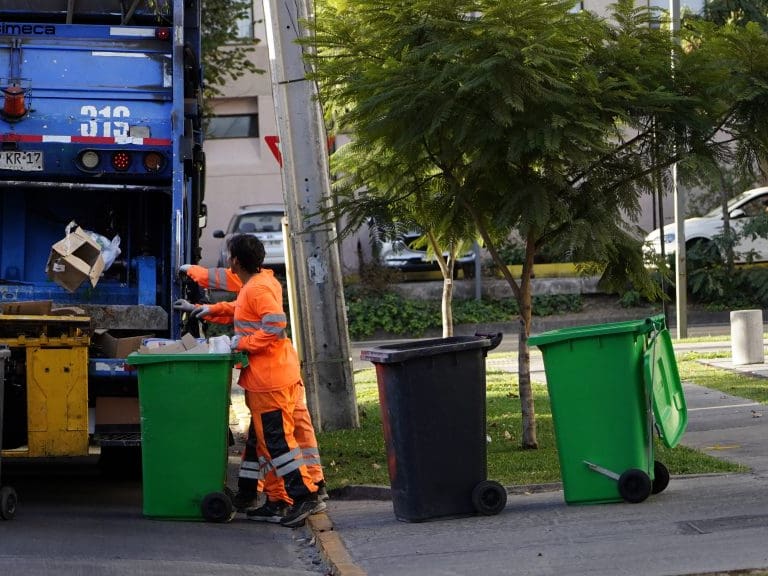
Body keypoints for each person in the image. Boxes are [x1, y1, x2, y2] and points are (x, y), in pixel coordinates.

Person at [174, 235, 323, 528]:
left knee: (278, 444)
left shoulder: (255, 289)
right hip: (278, 374)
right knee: (262, 440)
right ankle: (275, 498)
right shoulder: (260, 282)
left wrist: (241, 342)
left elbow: (275, 324)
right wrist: (207, 310)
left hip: (270, 379)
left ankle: (302, 496)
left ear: (235, 261)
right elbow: (244, 309)